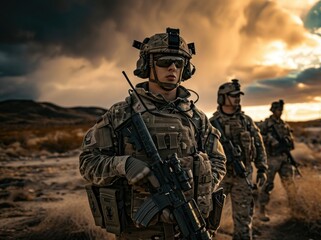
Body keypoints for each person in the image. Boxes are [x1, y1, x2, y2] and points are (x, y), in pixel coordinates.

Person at [79, 28, 227, 239]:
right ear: (147, 64)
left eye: (179, 63)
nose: (173, 68)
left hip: (189, 226)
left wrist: (198, 190)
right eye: (165, 61)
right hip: (140, 232)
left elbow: (218, 161)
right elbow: (88, 163)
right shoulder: (121, 115)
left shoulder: (197, 118)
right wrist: (123, 164)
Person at [209, 79, 268, 240]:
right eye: (233, 95)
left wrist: (262, 168)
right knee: (208, 217)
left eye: (238, 95)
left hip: (243, 177)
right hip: (219, 177)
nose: (237, 98)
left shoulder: (246, 121)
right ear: (222, 98)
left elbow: (259, 144)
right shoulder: (212, 124)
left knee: (243, 220)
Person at [257, 99, 296, 222]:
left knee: (290, 185)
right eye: (278, 110)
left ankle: (295, 210)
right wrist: (269, 139)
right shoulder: (266, 124)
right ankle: (262, 210)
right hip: (272, 159)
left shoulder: (284, 124)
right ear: (273, 110)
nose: (280, 112)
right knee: (267, 185)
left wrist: (288, 141)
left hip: (284, 158)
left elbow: (291, 141)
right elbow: (258, 137)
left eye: (281, 110)